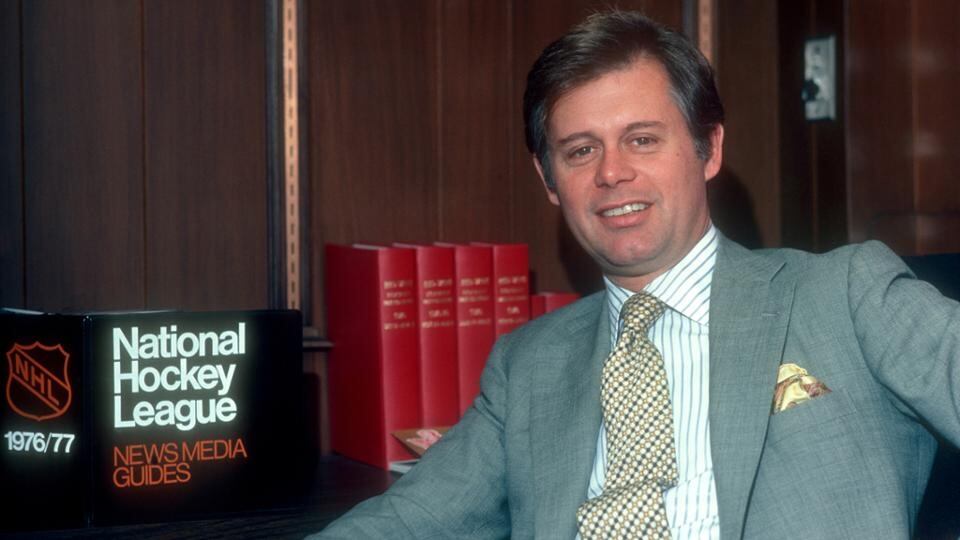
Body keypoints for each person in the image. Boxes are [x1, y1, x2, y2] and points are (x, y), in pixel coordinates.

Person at [312, 10, 960, 539]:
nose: (612, 172)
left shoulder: (845, 295)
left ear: (709, 149)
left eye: (643, 139)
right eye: (580, 150)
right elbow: (411, 520)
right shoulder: (527, 365)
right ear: (549, 180)